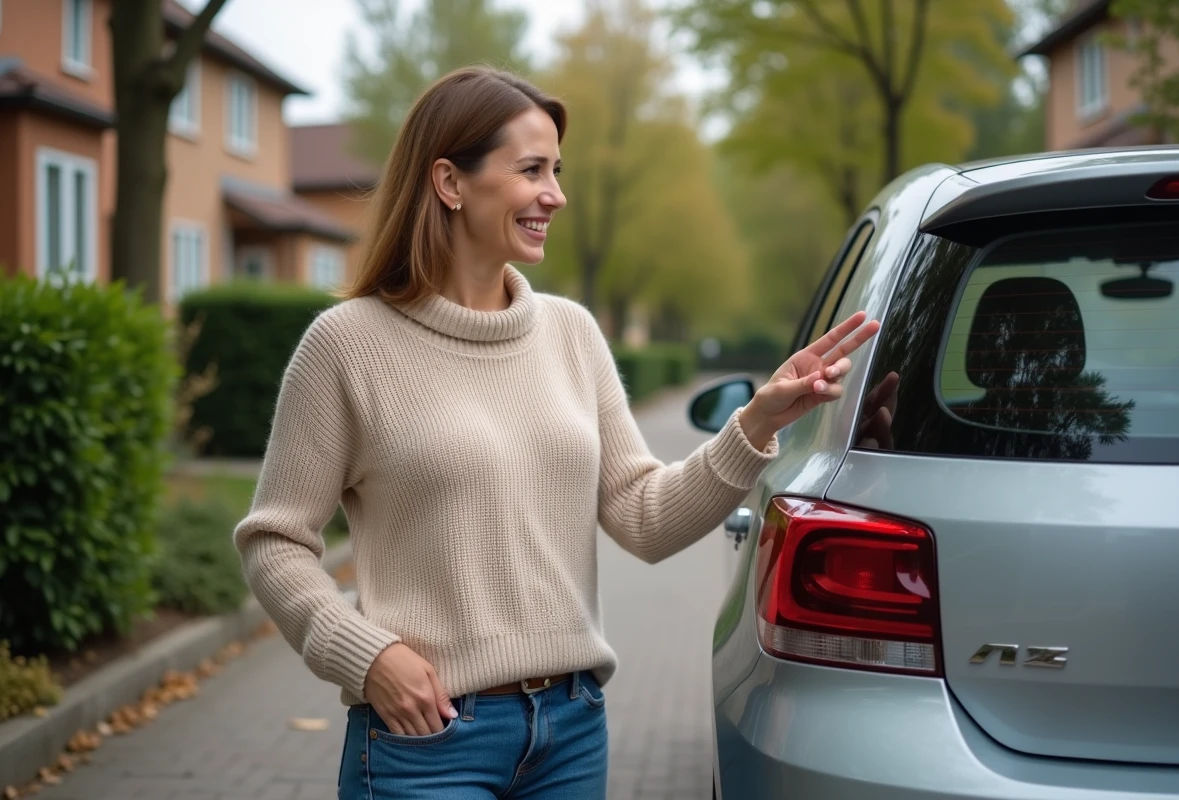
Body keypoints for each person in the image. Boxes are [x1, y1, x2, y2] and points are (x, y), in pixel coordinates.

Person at [232, 66, 879, 800]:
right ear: (450, 182)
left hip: (570, 733)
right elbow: (274, 540)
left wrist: (757, 420)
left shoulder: (571, 333)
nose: (557, 195)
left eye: (558, 171)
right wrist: (365, 655)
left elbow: (644, 516)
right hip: (426, 741)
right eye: (532, 170)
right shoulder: (345, 346)